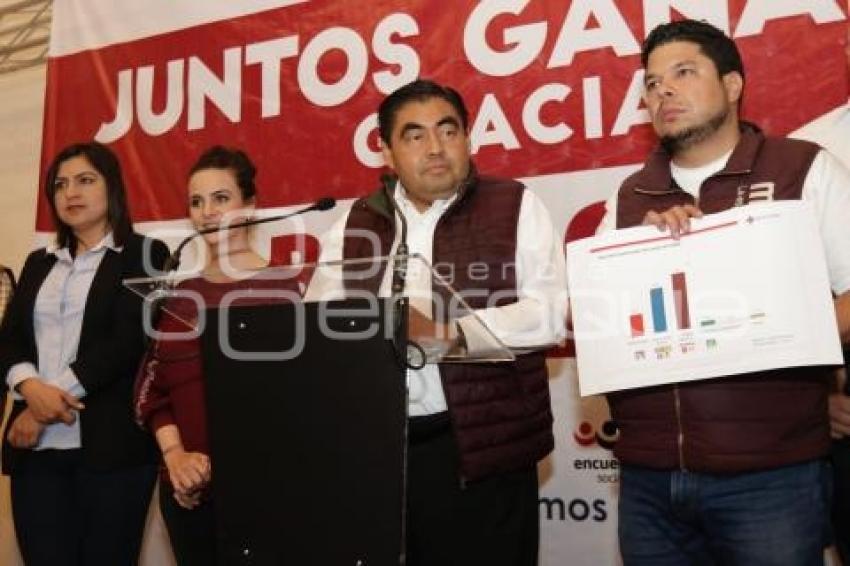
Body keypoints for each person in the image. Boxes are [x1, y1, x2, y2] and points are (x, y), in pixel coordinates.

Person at [595, 19, 850, 565]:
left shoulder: (802, 168)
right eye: (652, 82)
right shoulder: (628, 197)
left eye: (683, 73)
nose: (663, 90)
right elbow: (595, 318)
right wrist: (643, 258)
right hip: (649, 480)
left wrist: (781, 340)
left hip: (770, 476)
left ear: (733, 84)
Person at [307, 79, 567, 565]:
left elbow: (549, 314)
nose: (435, 147)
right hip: (384, 454)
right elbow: (319, 324)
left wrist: (449, 335)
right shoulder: (356, 223)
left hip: (485, 452)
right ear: (387, 151)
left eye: (448, 131)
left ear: (467, 138)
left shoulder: (513, 205)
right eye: (414, 135)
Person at [0, 142, 169, 566]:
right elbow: (11, 337)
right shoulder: (39, 262)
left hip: (112, 449)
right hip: (35, 452)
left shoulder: (146, 254)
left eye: (85, 180)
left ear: (112, 187)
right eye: (60, 184)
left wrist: (42, 405)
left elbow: (128, 341)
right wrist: (29, 387)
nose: (70, 193)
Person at [134, 146, 288, 566]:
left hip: (269, 490)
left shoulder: (292, 288)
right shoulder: (178, 298)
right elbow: (152, 394)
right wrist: (176, 458)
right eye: (197, 202)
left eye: (221, 198)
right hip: (188, 493)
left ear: (250, 205)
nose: (207, 212)